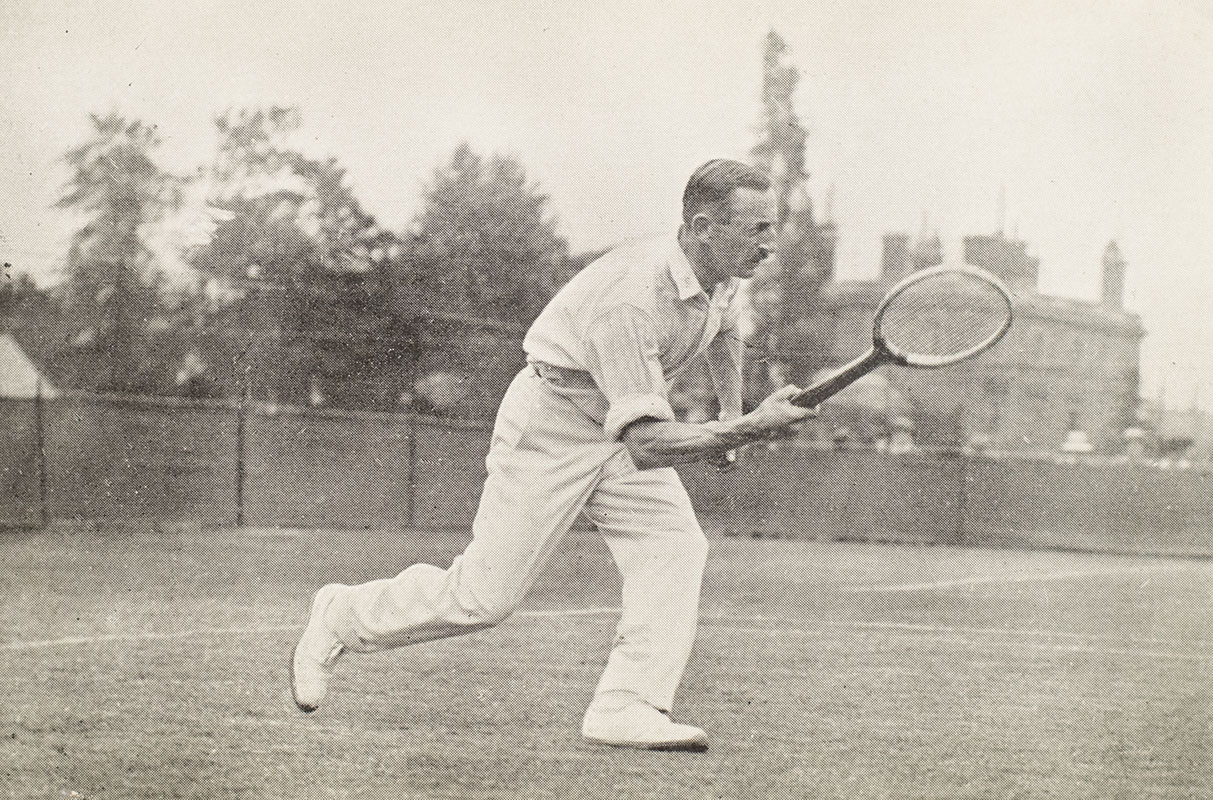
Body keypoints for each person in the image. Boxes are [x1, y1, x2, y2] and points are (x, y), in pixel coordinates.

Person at [290, 158, 816, 751]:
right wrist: (746, 429)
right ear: (700, 227)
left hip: (619, 423)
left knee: (675, 546)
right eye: (758, 231)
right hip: (552, 426)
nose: (771, 246)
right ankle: (342, 614)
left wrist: (728, 411)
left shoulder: (720, 276)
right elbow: (645, 444)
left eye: (771, 228)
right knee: (483, 598)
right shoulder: (632, 298)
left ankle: (627, 705)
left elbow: (724, 333)